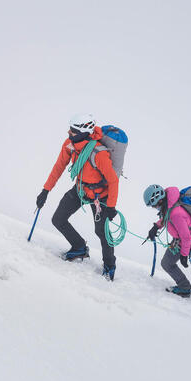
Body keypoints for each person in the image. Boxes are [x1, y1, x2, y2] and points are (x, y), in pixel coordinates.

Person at [36, 113, 119, 280]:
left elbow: (113, 181)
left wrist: (110, 206)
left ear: (84, 131)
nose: (69, 132)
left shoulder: (99, 154)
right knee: (58, 218)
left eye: (73, 130)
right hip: (80, 189)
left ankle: (110, 265)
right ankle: (79, 247)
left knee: (101, 231)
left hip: (99, 196)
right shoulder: (70, 144)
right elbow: (58, 167)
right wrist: (46, 190)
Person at [143, 184, 191, 318]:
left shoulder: (176, 213)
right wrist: (156, 227)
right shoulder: (168, 206)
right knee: (167, 263)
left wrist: (184, 256)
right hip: (181, 243)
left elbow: (186, 237)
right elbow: (166, 218)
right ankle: (184, 287)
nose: (153, 207)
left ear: (159, 200)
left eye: (153, 205)